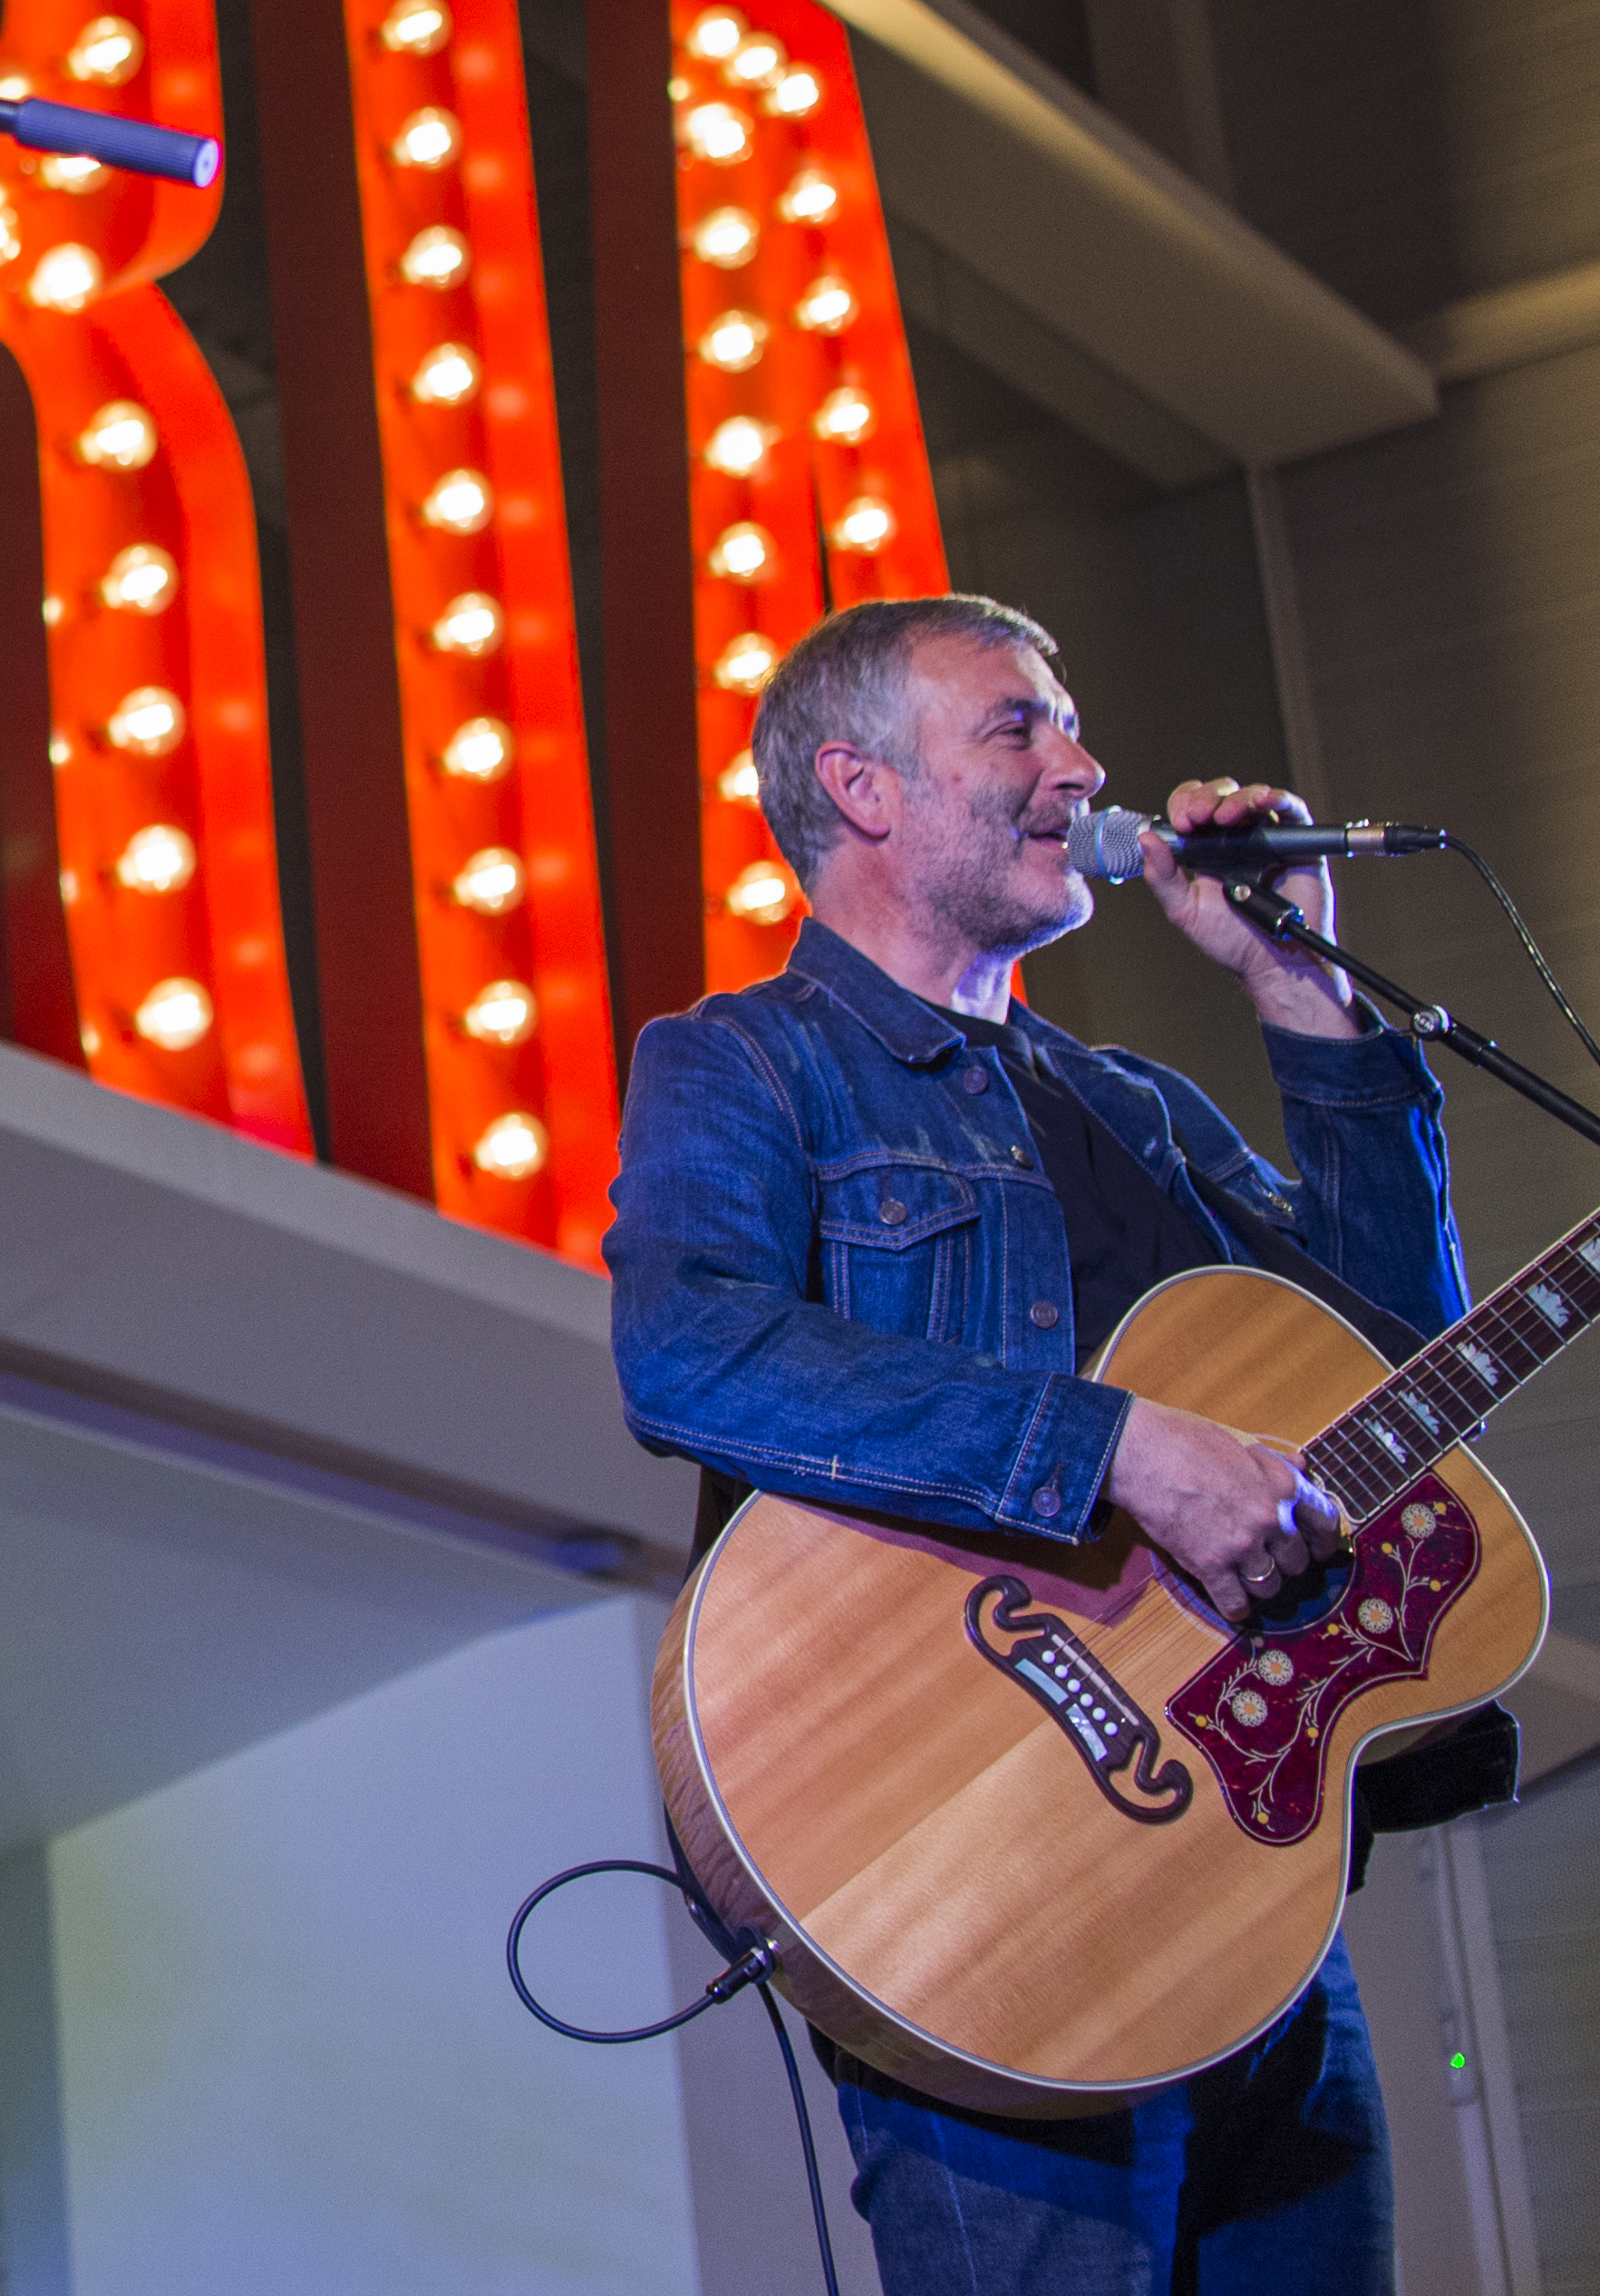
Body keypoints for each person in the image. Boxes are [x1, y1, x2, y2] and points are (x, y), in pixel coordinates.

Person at [608, 592, 1500, 2296]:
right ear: (861, 789)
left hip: (1239, 1885)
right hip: (974, 1870)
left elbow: (1394, 1376)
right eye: (1016, 726)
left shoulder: (1135, 1108)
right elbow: (688, 1351)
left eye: (1067, 724)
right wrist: (1114, 1449)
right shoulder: (744, 1062)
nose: (1081, 765)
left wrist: (1299, 980)